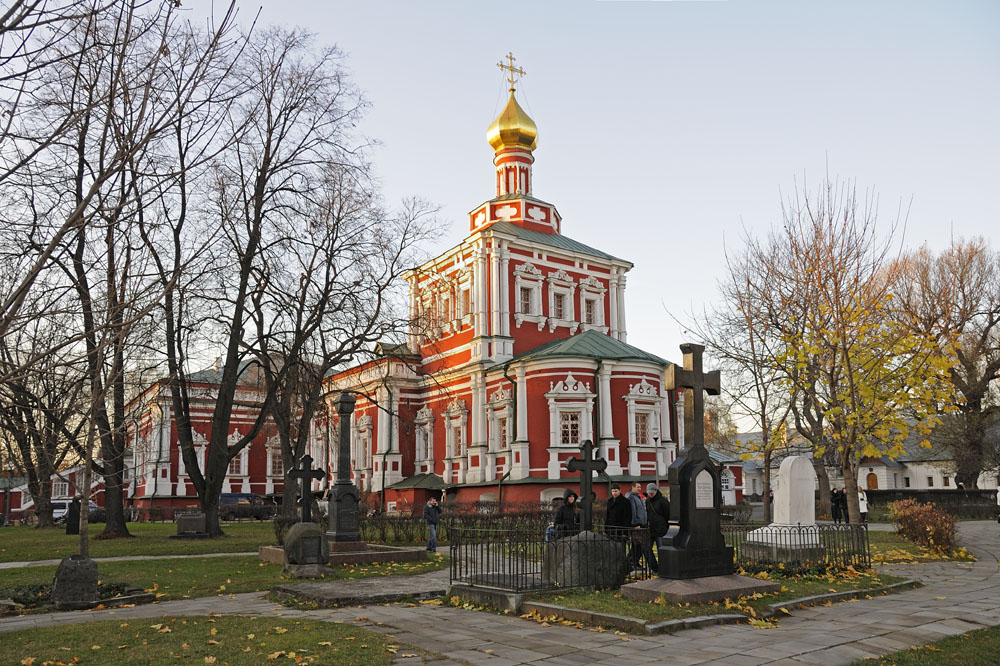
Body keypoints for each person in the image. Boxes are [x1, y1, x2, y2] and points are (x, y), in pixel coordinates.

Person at [625, 481, 657, 572]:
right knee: (644, 546)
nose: (640, 488)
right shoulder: (631, 497)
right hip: (637, 525)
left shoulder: (637, 496)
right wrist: (635, 524)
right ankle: (653, 566)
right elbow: (633, 512)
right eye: (638, 487)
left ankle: (632, 562)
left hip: (642, 524)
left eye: (640, 487)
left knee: (637, 546)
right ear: (632, 487)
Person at [645, 483, 670, 549]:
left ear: (656, 490)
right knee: (647, 549)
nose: (650, 494)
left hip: (660, 530)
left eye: (652, 493)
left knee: (661, 549)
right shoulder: (647, 501)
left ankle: (662, 560)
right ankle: (653, 560)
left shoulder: (663, 501)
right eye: (649, 493)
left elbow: (667, 514)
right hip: (651, 529)